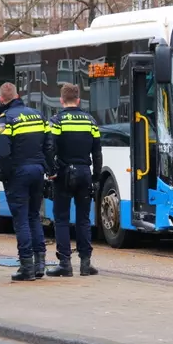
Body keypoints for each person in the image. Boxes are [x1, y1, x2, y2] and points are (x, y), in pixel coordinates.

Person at [0, 83, 54, 282]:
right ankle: (40, 264)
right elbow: (49, 144)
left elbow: (3, 152)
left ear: (2, 99)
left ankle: (26, 266)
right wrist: (48, 168)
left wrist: (5, 175)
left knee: (20, 220)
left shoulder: (5, 120)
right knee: (34, 216)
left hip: (18, 172)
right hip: (37, 171)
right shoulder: (37, 114)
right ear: (18, 95)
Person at [46, 84, 102, 277]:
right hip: (85, 173)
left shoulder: (57, 120)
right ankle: (86, 264)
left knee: (61, 218)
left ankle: (65, 264)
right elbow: (97, 152)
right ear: (78, 100)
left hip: (63, 174)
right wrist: (96, 177)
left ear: (62, 100)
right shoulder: (91, 121)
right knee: (84, 219)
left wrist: (51, 170)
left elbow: (50, 147)